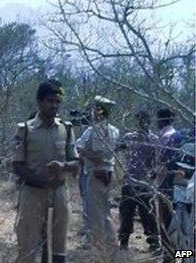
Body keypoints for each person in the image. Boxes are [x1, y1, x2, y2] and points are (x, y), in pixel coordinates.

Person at [12, 80, 78, 263]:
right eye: (50, 101)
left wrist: (63, 167)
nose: (54, 105)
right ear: (40, 102)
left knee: (57, 249)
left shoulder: (66, 128)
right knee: (27, 248)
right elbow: (17, 165)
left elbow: (76, 162)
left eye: (57, 102)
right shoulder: (25, 129)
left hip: (59, 195)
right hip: (32, 195)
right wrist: (41, 181)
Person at [76, 95, 120, 253]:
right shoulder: (114, 130)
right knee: (105, 211)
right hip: (108, 173)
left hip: (96, 173)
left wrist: (82, 153)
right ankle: (110, 244)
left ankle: (98, 248)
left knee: (94, 213)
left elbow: (96, 155)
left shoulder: (94, 130)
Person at [117, 111, 160, 253]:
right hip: (129, 181)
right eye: (139, 120)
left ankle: (154, 242)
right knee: (126, 213)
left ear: (148, 122)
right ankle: (123, 241)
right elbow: (117, 150)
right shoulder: (129, 137)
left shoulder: (154, 139)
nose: (141, 123)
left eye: (144, 120)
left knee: (148, 214)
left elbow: (158, 161)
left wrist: (153, 174)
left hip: (145, 183)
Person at [155, 108, 184, 263]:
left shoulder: (169, 138)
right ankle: (183, 256)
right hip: (182, 189)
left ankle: (170, 257)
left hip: (168, 187)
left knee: (167, 224)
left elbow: (165, 165)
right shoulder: (180, 137)